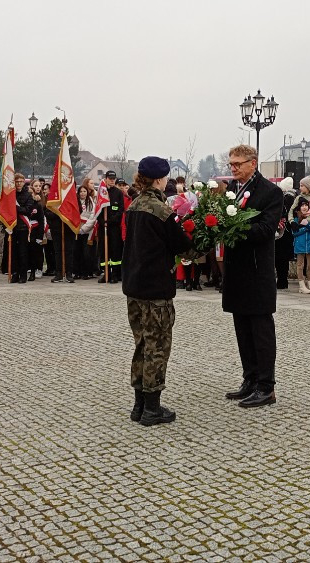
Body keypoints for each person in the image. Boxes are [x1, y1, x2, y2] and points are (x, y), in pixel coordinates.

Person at [120, 157, 196, 426]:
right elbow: (184, 247)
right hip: (155, 290)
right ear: (160, 179)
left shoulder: (135, 205)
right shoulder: (161, 210)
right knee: (157, 347)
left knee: (141, 344)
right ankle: (152, 408)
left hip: (134, 287)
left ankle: (139, 404)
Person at [222, 145, 284, 408]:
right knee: (242, 328)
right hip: (236, 269)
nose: (233, 168)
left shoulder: (271, 192)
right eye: (231, 164)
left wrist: (235, 227)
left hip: (258, 270)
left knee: (260, 329)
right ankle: (249, 379)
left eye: (238, 163)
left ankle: (266, 386)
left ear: (253, 163)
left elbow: (267, 228)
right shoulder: (230, 191)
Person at [97, 170, 125, 283]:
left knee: (115, 251)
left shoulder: (118, 193)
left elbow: (120, 210)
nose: (112, 180)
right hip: (103, 226)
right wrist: (102, 221)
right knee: (104, 251)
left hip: (114, 227)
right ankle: (106, 273)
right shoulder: (101, 192)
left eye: (114, 179)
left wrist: (111, 221)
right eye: (110, 178)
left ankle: (115, 274)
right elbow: (98, 209)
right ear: (106, 178)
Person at [291, 198, 310, 294]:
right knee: (300, 265)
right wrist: (305, 228)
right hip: (300, 245)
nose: (304, 207)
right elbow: (294, 232)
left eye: (306, 205)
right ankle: (301, 285)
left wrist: (307, 225)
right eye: (302, 206)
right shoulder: (296, 218)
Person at [74, 185, 98, 279]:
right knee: (76, 251)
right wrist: (77, 228)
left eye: (84, 191)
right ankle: (77, 272)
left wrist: (84, 228)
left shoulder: (91, 203)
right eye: (81, 191)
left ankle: (86, 272)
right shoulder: (75, 202)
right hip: (76, 230)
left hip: (87, 231)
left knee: (86, 253)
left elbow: (93, 216)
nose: (82, 193)